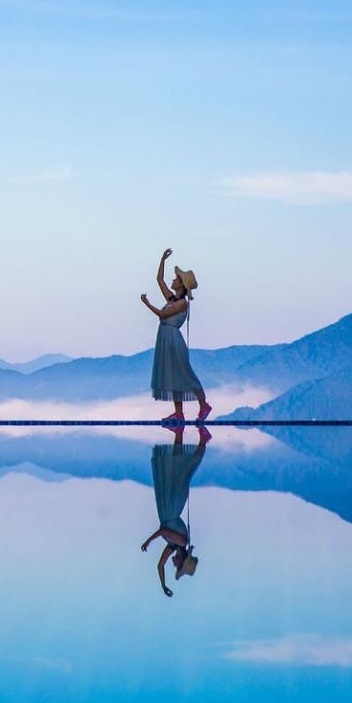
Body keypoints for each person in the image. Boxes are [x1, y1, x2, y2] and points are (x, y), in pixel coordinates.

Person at [140, 248, 211, 422]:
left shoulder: (181, 304)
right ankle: (178, 412)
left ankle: (204, 405)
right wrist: (163, 260)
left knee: (185, 373)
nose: (173, 280)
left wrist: (147, 303)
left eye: (176, 279)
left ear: (181, 284)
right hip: (166, 338)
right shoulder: (172, 299)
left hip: (173, 339)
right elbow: (159, 280)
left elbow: (162, 315)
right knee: (174, 375)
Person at [140, 424, 210, 597]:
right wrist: (148, 541)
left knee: (175, 467)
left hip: (168, 506)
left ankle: (181, 435)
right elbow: (163, 530)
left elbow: (160, 565)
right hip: (171, 505)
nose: (173, 565)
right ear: (181, 561)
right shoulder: (181, 541)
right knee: (180, 470)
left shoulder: (173, 546)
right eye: (176, 566)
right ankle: (202, 441)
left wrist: (163, 585)